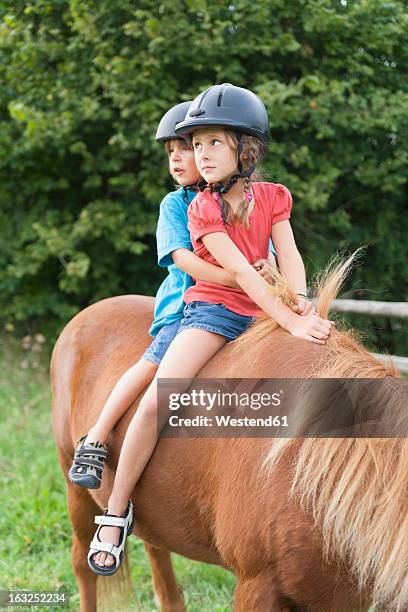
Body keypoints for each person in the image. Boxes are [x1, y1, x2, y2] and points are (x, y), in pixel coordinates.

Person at [86, 84, 333, 576]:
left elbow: (291, 256)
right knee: (160, 396)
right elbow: (240, 273)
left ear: (247, 149)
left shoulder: (274, 197)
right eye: (196, 145)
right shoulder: (201, 208)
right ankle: (115, 513)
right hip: (215, 312)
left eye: (212, 143)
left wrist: (301, 306)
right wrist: (289, 321)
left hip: (266, 312)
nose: (201, 153)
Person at [68, 101, 276, 488]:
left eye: (187, 148)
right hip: (186, 309)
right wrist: (241, 277)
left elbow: (267, 253)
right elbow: (183, 261)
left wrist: (268, 271)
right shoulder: (176, 205)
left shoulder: (245, 200)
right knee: (151, 367)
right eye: (171, 152)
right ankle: (96, 435)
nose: (178, 159)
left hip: (242, 306)